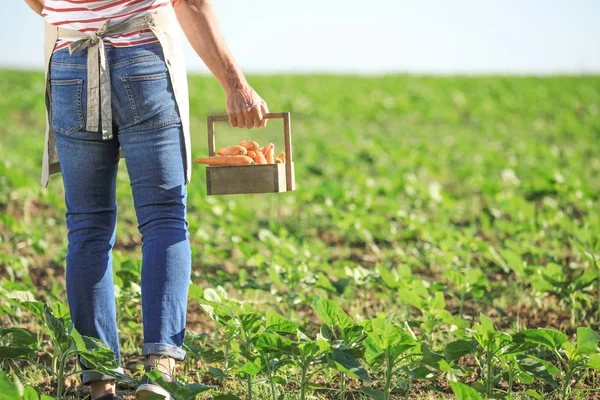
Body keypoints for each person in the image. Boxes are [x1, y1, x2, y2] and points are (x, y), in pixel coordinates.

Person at [23, 0, 269, 399]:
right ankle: (160, 369)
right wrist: (235, 84)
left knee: (86, 228)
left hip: (70, 60)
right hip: (142, 59)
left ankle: (99, 383)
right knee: (164, 219)